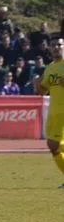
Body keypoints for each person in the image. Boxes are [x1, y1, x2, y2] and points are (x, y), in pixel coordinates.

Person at [37, 37, 64, 187]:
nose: (56, 47)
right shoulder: (50, 68)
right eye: (53, 45)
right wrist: (38, 85)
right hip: (54, 112)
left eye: (59, 45)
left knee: (54, 145)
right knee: (53, 148)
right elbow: (42, 91)